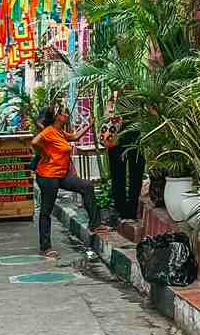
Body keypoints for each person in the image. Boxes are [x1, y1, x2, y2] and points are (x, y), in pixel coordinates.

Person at [32, 104, 99, 259]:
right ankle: (45, 247)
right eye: (64, 114)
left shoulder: (59, 132)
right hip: (48, 176)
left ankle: (95, 225)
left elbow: (75, 137)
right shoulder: (48, 131)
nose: (67, 116)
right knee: (46, 211)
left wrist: (89, 125)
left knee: (87, 186)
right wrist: (44, 155)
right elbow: (35, 142)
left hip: (61, 174)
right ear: (56, 116)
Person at [101, 90, 144, 224]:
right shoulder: (115, 96)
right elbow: (107, 116)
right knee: (119, 176)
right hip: (118, 139)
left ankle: (129, 212)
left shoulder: (138, 92)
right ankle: (124, 211)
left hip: (133, 138)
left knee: (133, 176)